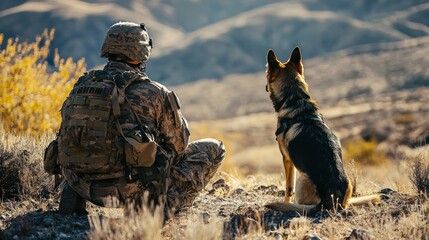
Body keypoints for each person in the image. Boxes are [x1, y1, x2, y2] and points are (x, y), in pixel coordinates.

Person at [56, 22, 226, 216]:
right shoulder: (154, 92)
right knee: (214, 147)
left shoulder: (81, 87)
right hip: (128, 191)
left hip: (82, 186)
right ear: (141, 53)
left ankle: (72, 197)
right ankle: (161, 211)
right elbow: (179, 145)